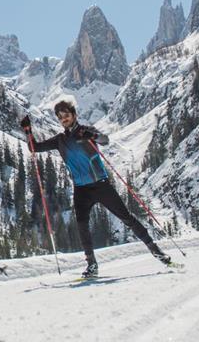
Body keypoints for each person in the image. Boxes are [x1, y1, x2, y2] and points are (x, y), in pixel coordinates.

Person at [20, 98, 173, 278]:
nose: (64, 119)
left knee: (127, 218)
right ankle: (92, 265)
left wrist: (92, 136)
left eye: (66, 115)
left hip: (101, 185)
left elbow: (105, 140)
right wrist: (28, 131)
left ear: (74, 115)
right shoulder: (60, 140)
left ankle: (156, 251)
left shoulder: (86, 131)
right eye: (60, 117)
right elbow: (33, 148)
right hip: (81, 190)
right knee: (82, 226)